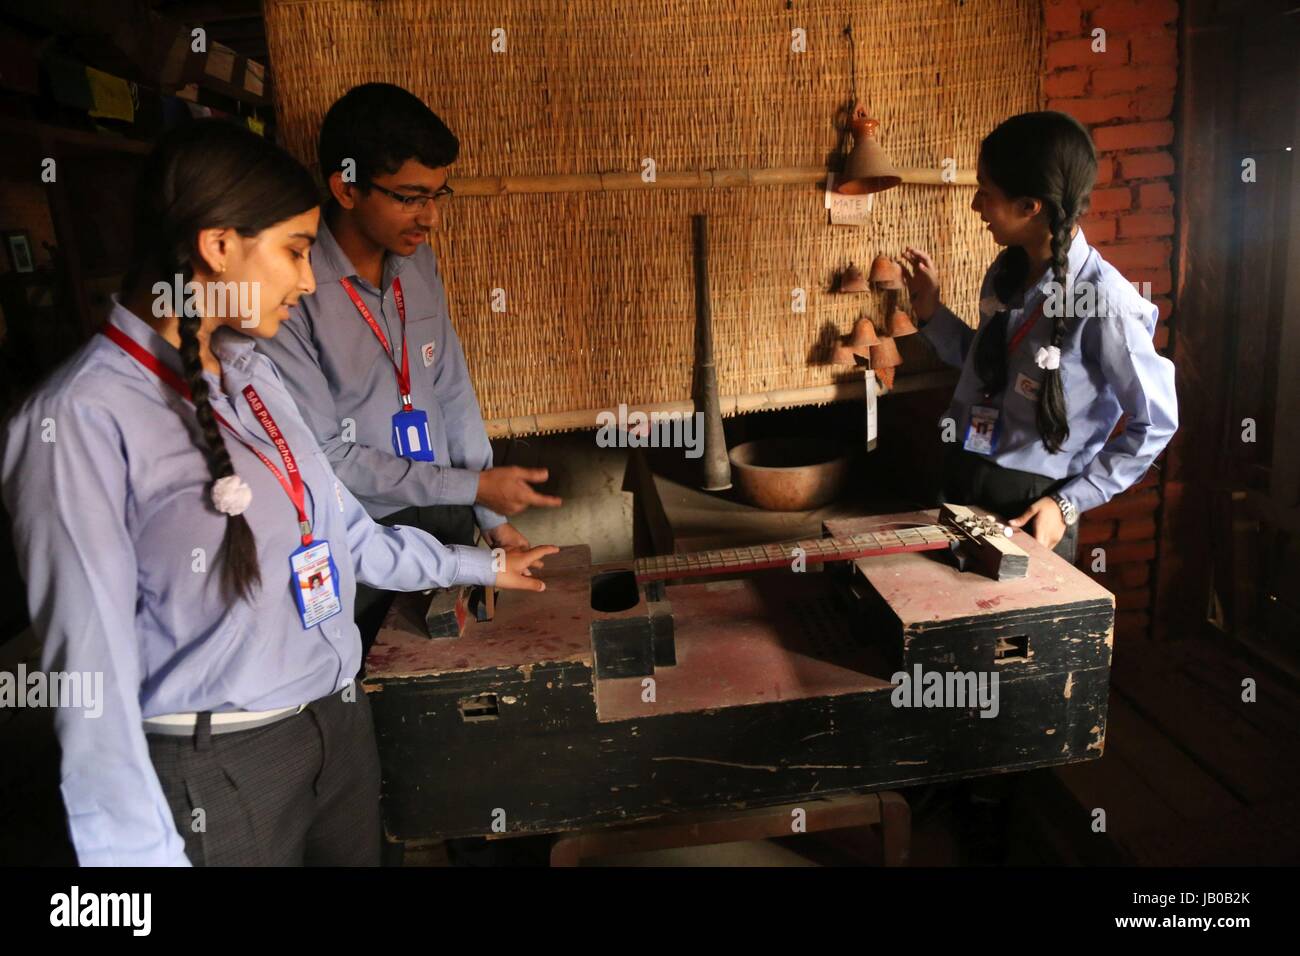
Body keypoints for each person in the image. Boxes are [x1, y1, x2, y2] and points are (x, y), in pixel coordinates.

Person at [0, 120, 556, 866]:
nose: (307, 277)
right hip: (221, 765)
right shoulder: (79, 421)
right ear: (218, 245)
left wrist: (479, 566)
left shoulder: (252, 376)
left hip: (334, 720)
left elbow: (345, 536)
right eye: (295, 251)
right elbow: (87, 680)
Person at [254, 83, 562, 650]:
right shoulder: (290, 291)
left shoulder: (417, 266)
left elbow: (451, 391)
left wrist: (489, 516)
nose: (431, 218)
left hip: (446, 514)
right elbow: (327, 458)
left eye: (439, 194)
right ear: (346, 188)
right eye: (411, 197)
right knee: (377, 677)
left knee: (448, 665)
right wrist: (473, 485)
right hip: (362, 533)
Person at [901, 111, 1178, 561]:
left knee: (1010, 631)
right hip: (964, 476)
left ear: (1031, 207)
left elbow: (1157, 423)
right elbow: (989, 366)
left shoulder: (1106, 302)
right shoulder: (1006, 271)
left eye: (986, 193)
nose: (976, 206)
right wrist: (932, 311)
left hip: (1032, 508)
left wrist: (1068, 503)